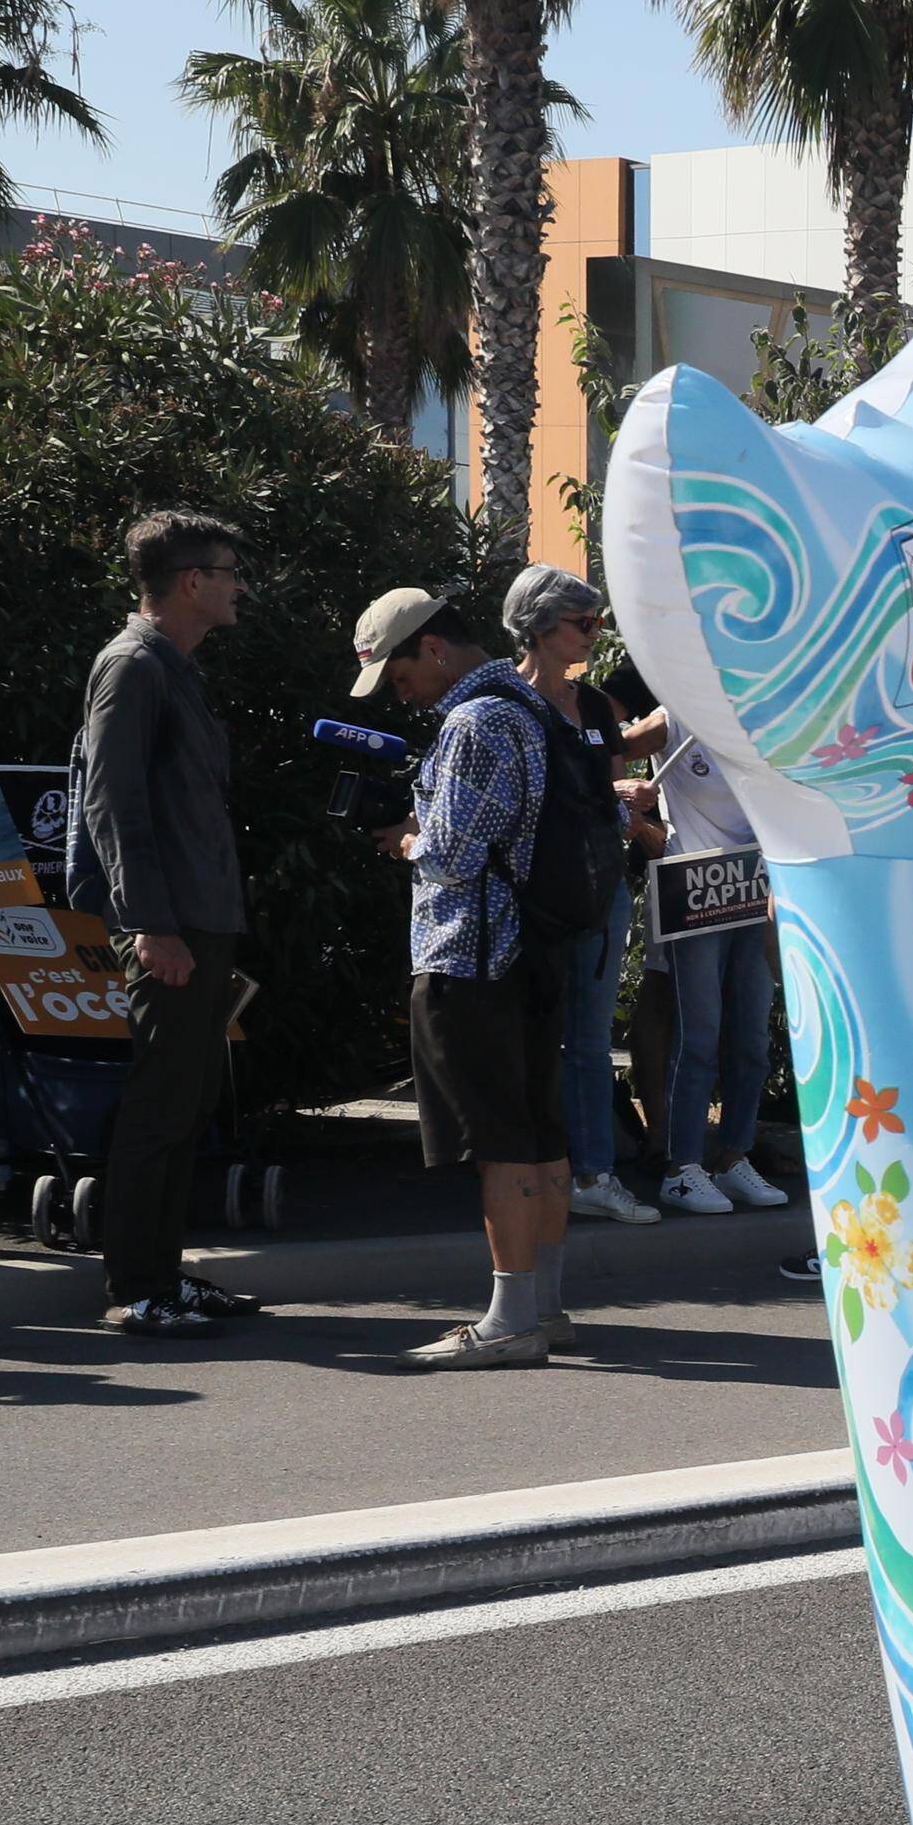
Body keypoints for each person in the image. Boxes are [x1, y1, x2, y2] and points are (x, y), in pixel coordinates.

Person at [357, 583, 574, 1367]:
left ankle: (509, 1320)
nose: (400, 691)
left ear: (435, 648)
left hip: (473, 955)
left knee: (500, 1144)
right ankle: (545, 1308)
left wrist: (406, 840)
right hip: (535, 950)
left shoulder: (476, 723)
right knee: (542, 1132)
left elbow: (453, 854)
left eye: (400, 673)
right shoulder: (532, 707)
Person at [74, 508, 262, 1336]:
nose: (238, 586)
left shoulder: (172, 665)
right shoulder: (133, 666)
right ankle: (136, 1290)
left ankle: (164, 1276)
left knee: (185, 1105)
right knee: (159, 1105)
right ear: (192, 582)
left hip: (198, 916)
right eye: (228, 572)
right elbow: (113, 804)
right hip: (169, 923)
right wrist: (150, 924)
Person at [489, 567, 661, 1229]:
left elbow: (609, 792)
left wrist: (627, 804)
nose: (595, 631)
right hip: (532, 895)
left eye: (596, 620)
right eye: (582, 621)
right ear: (536, 626)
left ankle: (591, 1171)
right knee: (532, 1035)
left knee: (589, 1038)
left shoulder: (591, 705)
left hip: (598, 886)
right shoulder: (505, 705)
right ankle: (537, 1170)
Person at [642, 722, 788, 1215]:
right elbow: (599, 745)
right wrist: (623, 799)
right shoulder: (678, 712)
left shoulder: (767, 712)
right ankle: (681, 1168)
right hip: (695, 888)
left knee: (750, 1038)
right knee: (699, 1035)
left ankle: (733, 1158)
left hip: (755, 883)